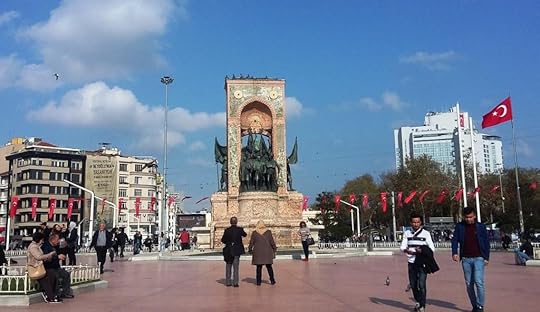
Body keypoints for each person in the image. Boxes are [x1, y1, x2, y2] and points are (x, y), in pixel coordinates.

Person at [452, 207, 490, 312]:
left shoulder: (480, 227)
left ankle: (480, 306)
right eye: (467, 217)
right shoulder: (460, 226)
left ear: (475, 216)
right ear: (464, 217)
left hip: (479, 258)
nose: (469, 219)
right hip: (466, 259)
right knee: (469, 284)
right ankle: (474, 305)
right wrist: (454, 252)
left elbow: (486, 243)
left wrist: (486, 257)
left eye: (471, 217)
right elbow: (455, 239)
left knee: (479, 282)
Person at [400, 213, 435, 312]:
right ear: (411, 223)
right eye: (414, 222)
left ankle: (422, 305)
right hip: (411, 262)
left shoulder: (426, 234)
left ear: (421, 223)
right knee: (413, 284)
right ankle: (418, 301)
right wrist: (407, 250)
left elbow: (432, 248)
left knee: (421, 284)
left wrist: (422, 250)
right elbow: (402, 247)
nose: (416, 224)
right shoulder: (407, 233)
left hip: (422, 262)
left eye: (418, 222)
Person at [27, 232, 60, 303]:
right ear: (38, 239)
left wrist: (48, 258)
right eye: (42, 240)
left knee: (52, 274)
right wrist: (49, 254)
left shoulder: (37, 246)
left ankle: (50, 294)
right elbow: (38, 257)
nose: (42, 241)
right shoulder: (33, 247)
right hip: (35, 268)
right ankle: (50, 297)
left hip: (40, 266)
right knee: (45, 279)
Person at [41, 233, 74, 299]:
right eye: (57, 240)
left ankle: (65, 293)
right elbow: (46, 258)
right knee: (55, 276)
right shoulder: (46, 246)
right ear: (52, 240)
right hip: (49, 268)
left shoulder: (55, 246)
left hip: (56, 267)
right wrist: (57, 257)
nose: (58, 241)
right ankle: (56, 294)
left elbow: (60, 252)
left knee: (66, 274)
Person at [248, 220, 277, 286]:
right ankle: (272, 280)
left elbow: (251, 242)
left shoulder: (254, 232)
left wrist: (250, 249)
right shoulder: (268, 232)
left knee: (259, 267)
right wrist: (274, 248)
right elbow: (271, 241)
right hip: (267, 251)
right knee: (269, 267)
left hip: (258, 252)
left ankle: (258, 282)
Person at [221, 216, 247, 287]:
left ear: (230, 222)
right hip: (237, 250)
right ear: (236, 222)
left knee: (228, 266)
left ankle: (228, 282)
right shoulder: (239, 229)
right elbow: (245, 235)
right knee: (236, 267)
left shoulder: (227, 230)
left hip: (229, 250)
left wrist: (228, 242)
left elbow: (223, 240)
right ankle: (235, 283)